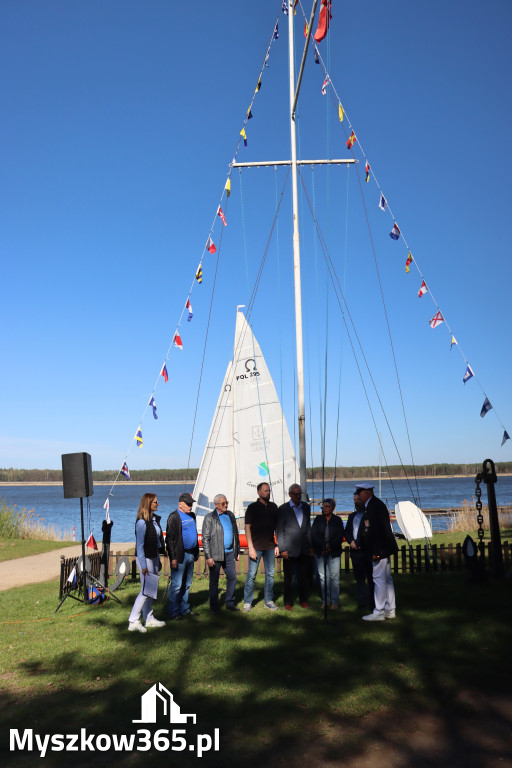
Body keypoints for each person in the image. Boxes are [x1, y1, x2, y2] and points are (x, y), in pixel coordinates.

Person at [356, 483, 398, 621]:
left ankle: (379, 611)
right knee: (386, 579)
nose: (358, 495)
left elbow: (377, 531)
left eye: (360, 492)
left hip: (379, 548)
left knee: (379, 579)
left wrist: (376, 551)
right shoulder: (374, 505)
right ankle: (390, 609)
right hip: (382, 547)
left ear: (367, 492)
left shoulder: (374, 506)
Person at [128, 493, 166, 633]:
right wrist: (143, 566)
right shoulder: (141, 522)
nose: (158, 504)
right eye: (155, 502)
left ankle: (148, 618)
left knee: (151, 590)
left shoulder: (154, 520)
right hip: (145, 559)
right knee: (146, 591)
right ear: (148, 503)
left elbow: (156, 541)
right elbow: (139, 546)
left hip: (154, 557)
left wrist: (158, 559)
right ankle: (133, 620)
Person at [243, 482, 280, 612]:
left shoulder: (274, 507)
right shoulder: (252, 508)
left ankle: (268, 600)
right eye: (265, 491)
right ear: (258, 492)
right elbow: (247, 527)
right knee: (252, 575)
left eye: (269, 491)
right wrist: (251, 547)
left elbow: (277, 528)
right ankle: (247, 602)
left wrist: (277, 544)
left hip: (270, 546)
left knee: (270, 575)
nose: (268, 493)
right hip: (256, 547)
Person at [202, 493, 240, 614]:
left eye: (226, 503)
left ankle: (229, 602)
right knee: (214, 581)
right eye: (223, 503)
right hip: (215, 554)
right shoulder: (209, 518)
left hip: (229, 553)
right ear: (216, 505)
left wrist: (236, 550)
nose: (226, 505)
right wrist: (208, 556)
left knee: (233, 578)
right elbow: (205, 538)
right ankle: (214, 608)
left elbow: (236, 534)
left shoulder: (230, 515)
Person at [277, 483, 312, 610]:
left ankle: (303, 600)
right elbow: (280, 531)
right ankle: (288, 602)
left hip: (303, 549)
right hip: (289, 549)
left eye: (300, 494)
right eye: (296, 494)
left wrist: (310, 546)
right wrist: (282, 549)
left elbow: (308, 527)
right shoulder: (283, 509)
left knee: (303, 577)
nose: (298, 496)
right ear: (290, 494)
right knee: (288, 579)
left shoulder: (306, 507)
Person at [166, 492, 199, 620]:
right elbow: (169, 539)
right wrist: (173, 558)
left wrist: (196, 552)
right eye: (188, 504)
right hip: (180, 556)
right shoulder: (174, 517)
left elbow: (194, 533)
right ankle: (174, 612)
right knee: (177, 585)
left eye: (191, 503)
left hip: (191, 554)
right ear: (180, 504)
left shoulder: (192, 515)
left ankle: (184, 608)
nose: (191, 506)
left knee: (187, 583)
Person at [311, 498, 344, 610]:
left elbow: (340, 536)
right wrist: (322, 546)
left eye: (327, 506)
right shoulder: (318, 519)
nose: (324, 509)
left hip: (334, 552)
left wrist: (330, 546)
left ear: (332, 508)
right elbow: (314, 535)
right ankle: (325, 600)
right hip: (320, 551)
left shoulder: (337, 520)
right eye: (323, 507)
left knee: (334, 577)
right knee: (323, 577)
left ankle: (334, 601)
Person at [344, 490, 375, 611]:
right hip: (355, 552)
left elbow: (371, 532)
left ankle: (373, 604)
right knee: (359, 579)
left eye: (358, 500)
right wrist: (351, 541)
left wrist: (362, 543)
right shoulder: (352, 516)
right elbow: (347, 531)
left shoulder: (369, 515)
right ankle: (362, 603)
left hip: (366, 551)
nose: (356, 502)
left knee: (371, 578)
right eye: (354, 500)